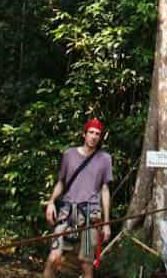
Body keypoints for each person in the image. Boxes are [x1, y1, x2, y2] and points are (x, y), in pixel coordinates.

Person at [43, 118, 112, 277]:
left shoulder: (105, 159)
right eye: (91, 132)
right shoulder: (69, 154)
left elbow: (105, 189)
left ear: (100, 137)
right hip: (67, 214)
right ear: (84, 134)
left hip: (90, 216)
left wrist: (106, 223)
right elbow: (61, 181)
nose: (94, 136)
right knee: (54, 257)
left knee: (86, 263)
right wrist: (51, 202)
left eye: (97, 134)